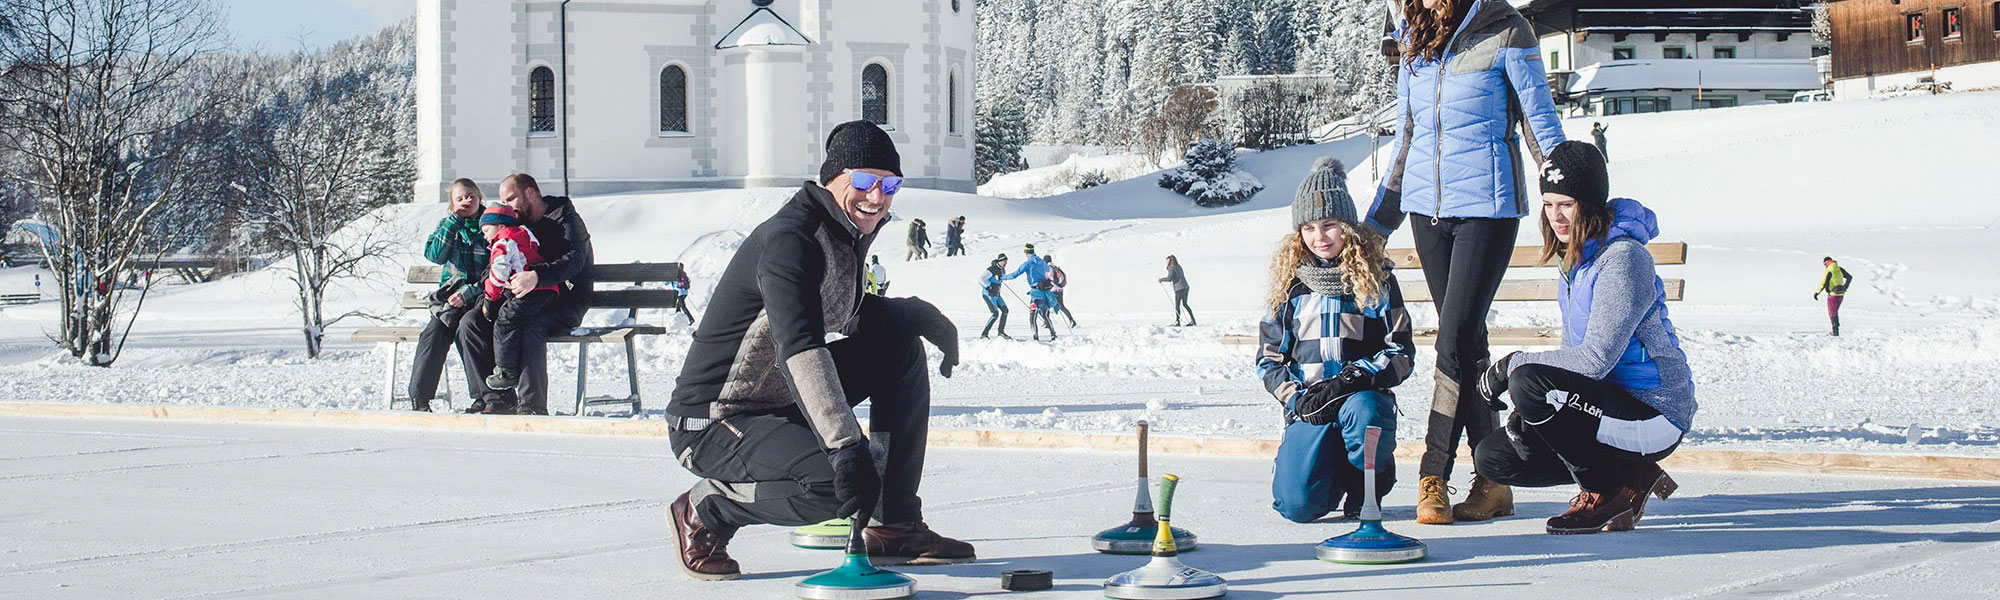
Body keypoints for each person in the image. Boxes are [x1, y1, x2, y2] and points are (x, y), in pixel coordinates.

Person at [664, 120, 971, 581]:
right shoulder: (793, 240)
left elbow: (838, 309)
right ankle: (708, 510)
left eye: (890, 185)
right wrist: (846, 447)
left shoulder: (842, 228)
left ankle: (895, 525)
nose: (878, 196)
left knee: (900, 351)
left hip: (776, 403)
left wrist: (913, 315)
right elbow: (800, 345)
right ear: (833, 177)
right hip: (714, 421)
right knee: (836, 481)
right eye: (865, 181)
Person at [1365, 0, 1567, 525]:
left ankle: (1432, 473)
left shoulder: (1506, 29)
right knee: (1469, 343)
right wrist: (1376, 225)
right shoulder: (1412, 35)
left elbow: (1538, 119)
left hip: (1488, 207)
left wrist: (1569, 192)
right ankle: (1494, 479)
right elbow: (1408, 137)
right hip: (1426, 212)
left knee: (1452, 338)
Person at [1471, 141, 1693, 534]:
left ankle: (1605, 493)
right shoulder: (1575, 260)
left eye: (1566, 204)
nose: (1556, 216)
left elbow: (1595, 360)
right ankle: (1630, 476)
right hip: (1605, 404)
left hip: (1654, 410)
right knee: (1494, 457)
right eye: (1548, 204)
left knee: (1529, 381)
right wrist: (1533, 416)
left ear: (1589, 203)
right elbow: (1579, 365)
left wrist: (1512, 365)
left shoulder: (1622, 258)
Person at [1261, 157, 1416, 523]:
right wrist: (1297, 399)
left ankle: (1368, 481)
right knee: (1296, 507)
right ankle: (1327, 474)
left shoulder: (1375, 279)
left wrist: (1357, 377)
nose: (1320, 237)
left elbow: (1401, 351)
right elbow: (1269, 359)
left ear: (1347, 225)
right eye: (1310, 228)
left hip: (1357, 401)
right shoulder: (1290, 286)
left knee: (1365, 412)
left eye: (1330, 225)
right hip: (1312, 407)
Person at [456, 173, 595, 416]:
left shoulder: (564, 218)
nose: (506, 206)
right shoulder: (513, 224)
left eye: (511, 199)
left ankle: (531, 406)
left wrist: (537, 276)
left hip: (563, 299)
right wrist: (491, 289)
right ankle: (496, 399)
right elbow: (496, 260)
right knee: (471, 322)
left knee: (531, 325)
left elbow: (575, 262)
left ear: (530, 193)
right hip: (520, 298)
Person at [408, 179, 489, 412]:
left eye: (471, 196)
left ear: (479, 197)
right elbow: (434, 255)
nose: (467, 201)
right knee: (434, 333)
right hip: (451, 301)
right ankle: (420, 397)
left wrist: (469, 292)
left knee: (468, 328)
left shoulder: (490, 224)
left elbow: (495, 270)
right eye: (460, 198)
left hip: (480, 298)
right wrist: (453, 223)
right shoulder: (448, 225)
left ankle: (482, 397)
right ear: (452, 204)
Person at [478, 205, 561, 391]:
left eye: (486, 230)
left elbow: (498, 273)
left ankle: (506, 372)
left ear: (499, 226)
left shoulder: (503, 242)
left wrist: (490, 298)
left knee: (504, 320)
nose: (484, 236)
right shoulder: (522, 235)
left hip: (533, 291)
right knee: (516, 320)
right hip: (544, 289)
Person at [1003, 244, 1058, 341]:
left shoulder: (1027, 264)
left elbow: (1015, 275)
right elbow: (1048, 270)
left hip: (1036, 293)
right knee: (1045, 315)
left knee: (1032, 316)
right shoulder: (1041, 262)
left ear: (1026, 252)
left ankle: (1035, 337)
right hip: (1045, 291)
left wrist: (1003, 277)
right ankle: (1053, 334)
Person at [1814, 257, 1854, 337]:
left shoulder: (1829, 271)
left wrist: (1817, 293)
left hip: (1833, 295)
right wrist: (1845, 287)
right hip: (1841, 294)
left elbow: (1823, 283)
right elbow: (1849, 277)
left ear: (1826, 263)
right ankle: (1835, 330)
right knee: (1835, 313)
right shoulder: (1839, 269)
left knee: (1832, 313)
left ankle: (1835, 332)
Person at [980, 254, 1012, 340]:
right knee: (995, 314)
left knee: (1005, 311)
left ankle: (1001, 332)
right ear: (999, 261)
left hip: (997, 294)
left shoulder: (1002, 269)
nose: (1005, 263)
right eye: (1003, 261)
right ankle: (984, 334)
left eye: (1006, 261)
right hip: (988, 294)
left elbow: (999, 279)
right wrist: (988, 287)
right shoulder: (991, 269)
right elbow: (981, 279)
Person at [1159, 255, 1194, 326]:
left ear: (1170, 261)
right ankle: (1193, 320)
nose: (1166, 262)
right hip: (1185, 287)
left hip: (1179, 288)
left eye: (1167, 261)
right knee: (1185, 304)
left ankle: (1178, 321)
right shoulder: (1178, 266)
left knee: (1177, 305)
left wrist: (1161, 279)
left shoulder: (1172, 267)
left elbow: (1169, 278)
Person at [1045, 254, 1077, 328]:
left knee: (1046, 305)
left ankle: (1047, 322)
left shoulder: (1049, 268)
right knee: (1060, 306)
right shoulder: (1055, 267)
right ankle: (1071, 320)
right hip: (1059, 289)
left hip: (1053, 289)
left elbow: (1049, 278)